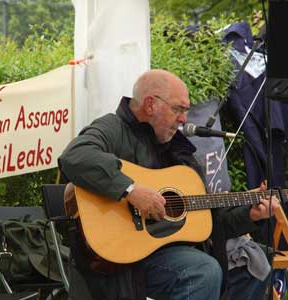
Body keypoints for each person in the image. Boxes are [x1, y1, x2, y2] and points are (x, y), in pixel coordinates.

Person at [58, 69, 279, 300]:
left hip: (165, 255)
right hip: (120, 262)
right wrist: (130, 190)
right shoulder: (113, 128)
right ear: (150, 104)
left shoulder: (178, 150)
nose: (184, 118)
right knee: (201, 271)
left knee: (254, 263)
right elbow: (75, 155)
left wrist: (250, 214)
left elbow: (209, 222)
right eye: (178, 109)